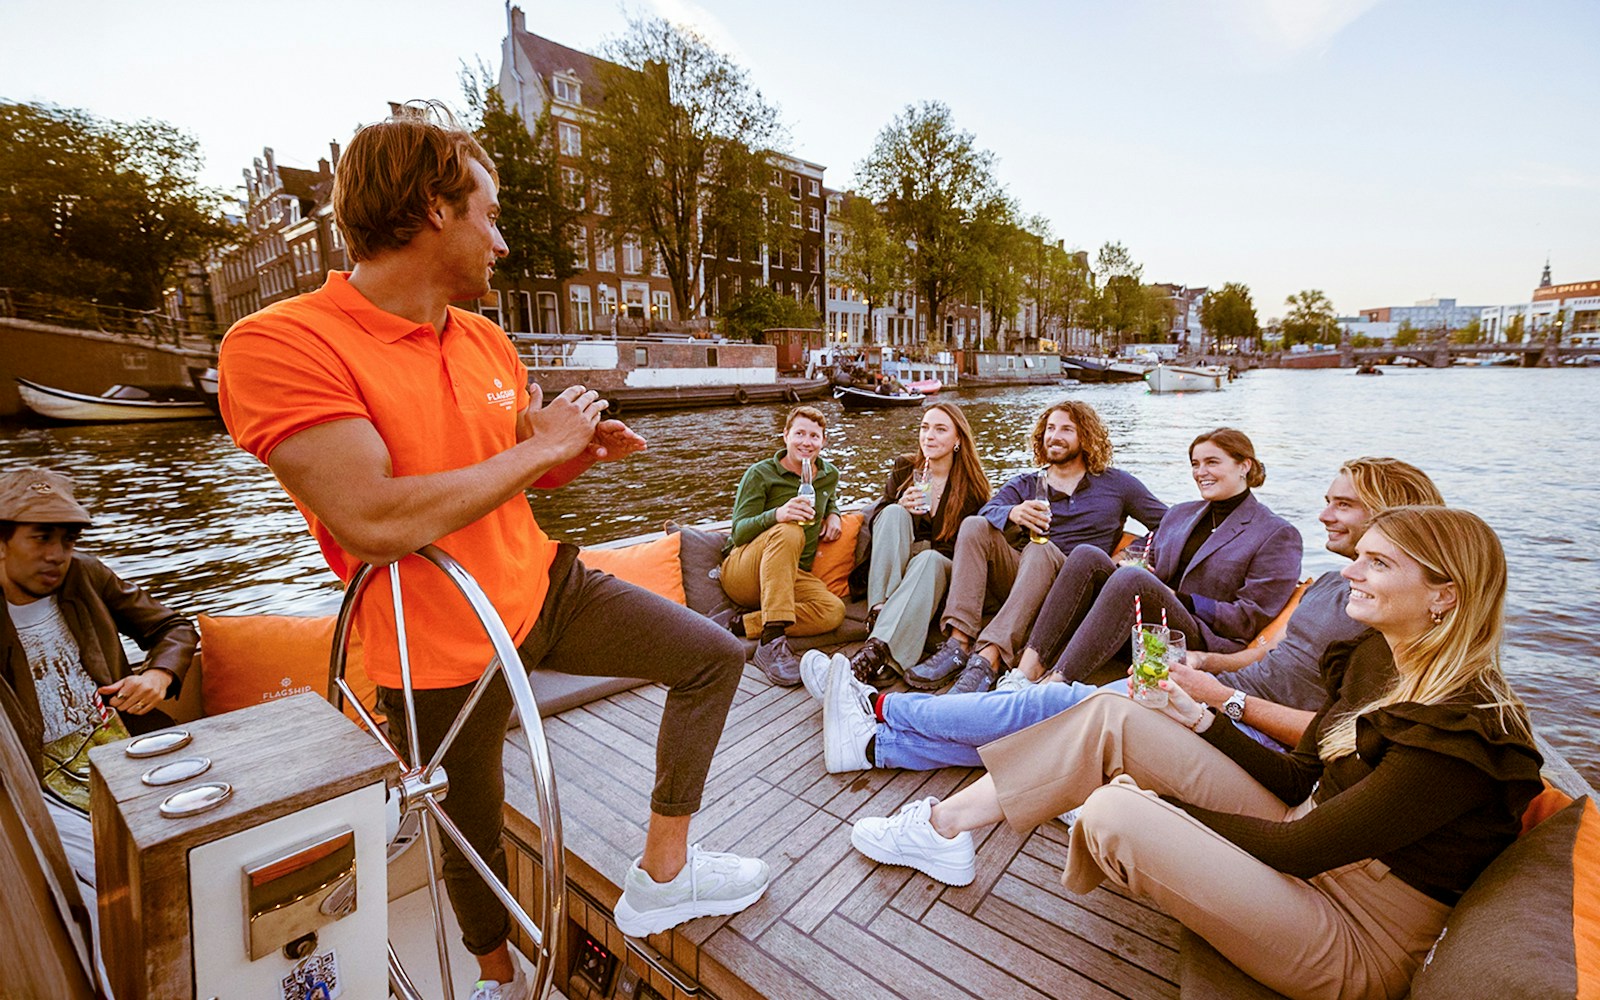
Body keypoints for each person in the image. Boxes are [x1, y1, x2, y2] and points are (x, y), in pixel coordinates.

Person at [218, 108, 764, 1000]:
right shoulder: (280, 344)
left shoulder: (482, 338)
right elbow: (373, 520)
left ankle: (663, 877)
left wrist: (562, 456)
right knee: (466, 830)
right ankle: (500, 978)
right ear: (435, 210)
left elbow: (497, 466)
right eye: (491, 214)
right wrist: (538, 448)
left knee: (711, 655)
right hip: (433, 643)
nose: (502, 243)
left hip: (544, 589)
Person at [849, 505, 1542, 1000]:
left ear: (1444, 597)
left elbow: (1303, 851)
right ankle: (943, 830)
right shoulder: (1376, 661)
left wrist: (1160, 800)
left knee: (1114, 813)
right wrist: (1201, 720)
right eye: (1360, 554)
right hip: (1307, 843)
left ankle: (898, 732)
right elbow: (1302, 776)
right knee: (1110, 717)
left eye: (1377, 562)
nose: (1350, 570)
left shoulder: (1464, 730)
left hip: (1353, 935)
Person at [814, 457, 1443, 772]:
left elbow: (1332, 729)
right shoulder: (1340, 583)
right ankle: (877, 745)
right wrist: (1203, 663)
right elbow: (1268, 655)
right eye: (1326, 501)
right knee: (1058, 708)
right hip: (1209, 673)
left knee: (1053, 715)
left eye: (1342, 505)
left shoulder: (1390, 613)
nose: (1326, 514)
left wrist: (1215, 694)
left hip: (1226, 708)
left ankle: (882, 710)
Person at [0, 467, 198, 983]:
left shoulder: (86, 575)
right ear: (1, 541)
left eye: (67, 539)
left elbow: (174, 627)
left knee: (219, 832)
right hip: (35, 781)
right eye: (41, 537)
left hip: (124, 750)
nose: (57, 554)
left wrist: (158, 673)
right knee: (95, 894)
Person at [969, 427, 1301, 694]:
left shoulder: (1275, 533)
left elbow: (1249, 618)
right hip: (1145, 622)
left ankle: (1056, 686)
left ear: (1244, 465)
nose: (1201, 472)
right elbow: (1149, 548)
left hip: (1198, 638)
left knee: (1133, 581)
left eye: (1212, 462)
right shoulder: (1182, 514)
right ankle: (1026, 672)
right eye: (1196, 464)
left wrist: (1178, 598)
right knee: (1087, 555)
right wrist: (1131, 560)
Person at [903, 400, 1166, 693]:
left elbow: (1170, 522)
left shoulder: (1118, 484)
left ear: (1087, 437)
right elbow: (986, 512)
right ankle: (958, 643)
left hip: (1080, 588)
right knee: (976, 526)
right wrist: (1012, 513)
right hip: (1027, 581)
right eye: (1050, 429)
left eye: (1067, 429)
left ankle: (988, 658)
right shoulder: (1027, 483)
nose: (1055, 436)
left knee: (1040, 548)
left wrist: (1129, 555)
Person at [844, 402, 992, 687]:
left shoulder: (972, 488)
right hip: (896, 566)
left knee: (930, 560)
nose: (929, 436)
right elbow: (879, 523)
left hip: (938, 572)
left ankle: (884, 653)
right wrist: (899, 503)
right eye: (925, 428)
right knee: (892, 513)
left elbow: (967, 548)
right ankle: (879, 614)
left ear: (958, 439)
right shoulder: (904, 468)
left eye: (940, 429)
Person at [718, 405, 845, 685]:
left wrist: (834, 512)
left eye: (814, 436)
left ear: (823, 441)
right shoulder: (760, 474)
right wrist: (777, 515)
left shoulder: (828, 475)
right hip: (744, 572)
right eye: (799, 433)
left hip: (790, 577)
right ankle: (772, 641)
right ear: (785, 435)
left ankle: (744, 623)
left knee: (833, 611)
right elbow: (738, 532)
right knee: (790, 530)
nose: (806, 442)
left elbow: (827, 496)